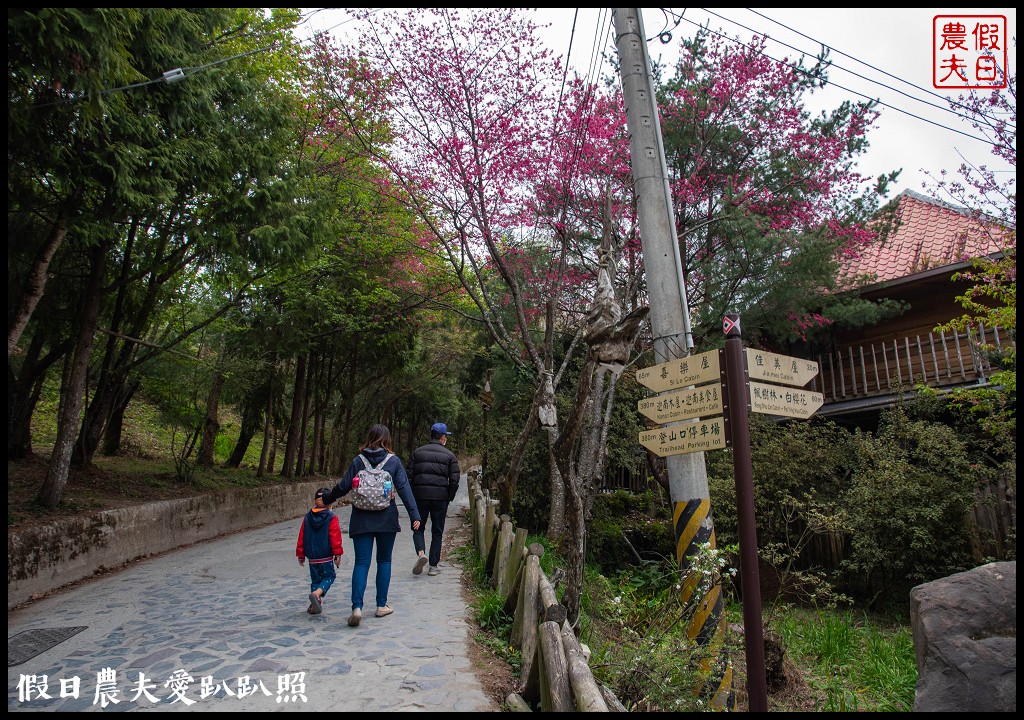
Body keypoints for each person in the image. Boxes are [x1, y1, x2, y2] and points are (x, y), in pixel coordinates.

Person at [322, 423, 421, 627]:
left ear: (369, 438)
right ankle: (381, 605)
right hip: (386, 518)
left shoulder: (358, 461)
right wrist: (414, 515)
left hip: (361, 518)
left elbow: (343, 486)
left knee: (361, 563)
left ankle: (357, 607)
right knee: (384, 561)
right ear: (387, 440)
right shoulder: (393, 462)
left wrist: (328, 498)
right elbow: (404, 489)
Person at [406, 422, 461, 577]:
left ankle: (421, 553)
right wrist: (448, 496)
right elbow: (454, 480)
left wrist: (412, 495)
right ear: (443, 437)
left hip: (420, 497)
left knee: (418, 527)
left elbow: (408, 476)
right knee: (437, 531)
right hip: (440, 498)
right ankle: (433, 566)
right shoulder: (450, 456)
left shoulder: (417, 453)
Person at [295, 487, 344, 615]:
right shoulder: (331, 517)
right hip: (326, 556)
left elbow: (302, 536)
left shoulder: (307, 517)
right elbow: (335, 537)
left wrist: (301, 554)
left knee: (315, 580)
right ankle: (317, 594)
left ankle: (314, 604)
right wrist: (337, 553)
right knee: (329, 576)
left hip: (312, 558)